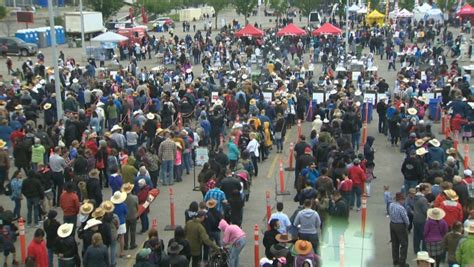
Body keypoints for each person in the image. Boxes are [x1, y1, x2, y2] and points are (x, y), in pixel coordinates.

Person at [389, 192, 410, 267]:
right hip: (400, 226)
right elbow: (405, 219)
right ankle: (402, 262)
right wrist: (407, 225)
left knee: (395, 243)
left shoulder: (391, 205)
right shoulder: (401, 208)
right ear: (400, 200)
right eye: (403, 200)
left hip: (392, 224)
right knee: (404, 244)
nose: (403, 201)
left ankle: (395, 260)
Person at [328, 190, 349, 260]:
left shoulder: (339, 205)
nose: (332, 199)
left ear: (336, 196)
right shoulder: (344, 201)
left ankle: (337, 257)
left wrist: (332, 206)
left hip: (337, 226)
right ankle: (341, 255)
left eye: (333, 198)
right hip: (343, 224)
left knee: (336, 242)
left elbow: (334, 214)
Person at [122, 183, 138, 250]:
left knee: (125, 232)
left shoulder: (122, 199)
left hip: (125, 217)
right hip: (133, 215)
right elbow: (137, 206)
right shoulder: (135, 198)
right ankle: (132, 244)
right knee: (133, 231)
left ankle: (125, 245)